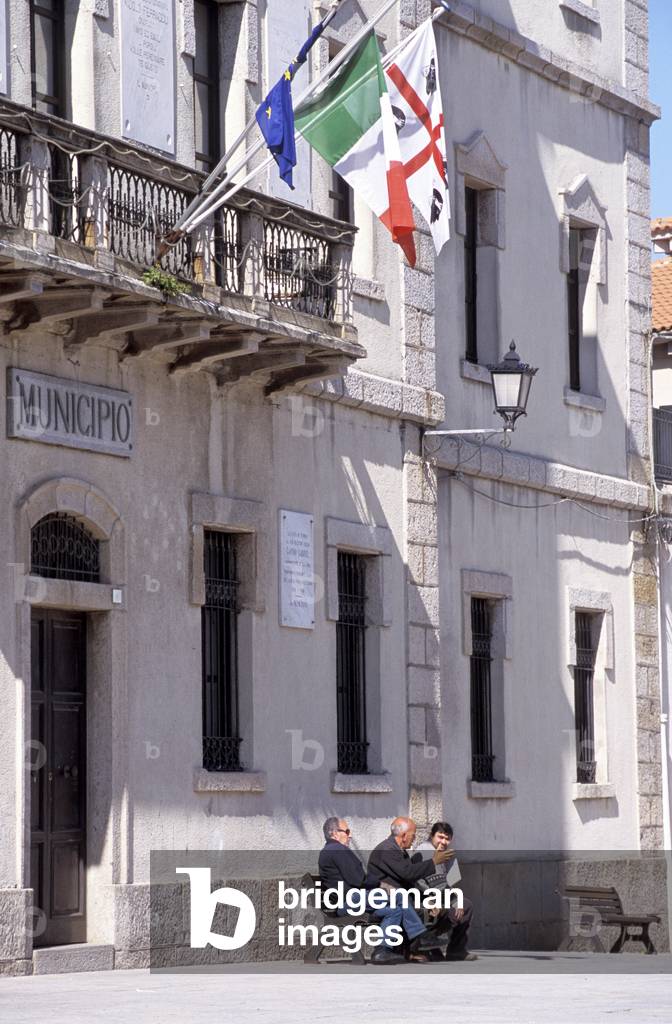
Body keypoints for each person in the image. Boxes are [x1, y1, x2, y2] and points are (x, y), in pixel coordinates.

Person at [318, 816, 427, 964]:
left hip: (349, 901)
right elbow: (358, 879)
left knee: (394, 910)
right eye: (347, 831)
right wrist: (381, 885)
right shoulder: (338, 849)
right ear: (334, 833)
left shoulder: (332, 850)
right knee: (399, 895)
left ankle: (381, 951)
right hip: (350, 901)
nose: (350, 835)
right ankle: (420, 935)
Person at [366, 817, 455, 961]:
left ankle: (417, 946)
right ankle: (420, 942)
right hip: (382, 900)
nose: (414, 839)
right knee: (416, 911)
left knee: (440, 909)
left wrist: (427, 899)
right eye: (413, 835)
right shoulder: (388, 849)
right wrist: (433, 862)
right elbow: (408, 873)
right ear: (404, 835)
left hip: (398, 898)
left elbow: (408, 881)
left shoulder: (397, 850)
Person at [413, 821, 477, 961]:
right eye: (440, 837)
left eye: (447, 838)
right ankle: (427, 943)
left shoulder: (446, 854)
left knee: (466, 905)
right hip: (424, 897)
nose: (443, 841)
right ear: (432, 836)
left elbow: (450, 881)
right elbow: (434, 883)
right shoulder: (426, 850)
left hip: (440, 895)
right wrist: (455, 901)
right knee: (456, 908)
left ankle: (456, 949)